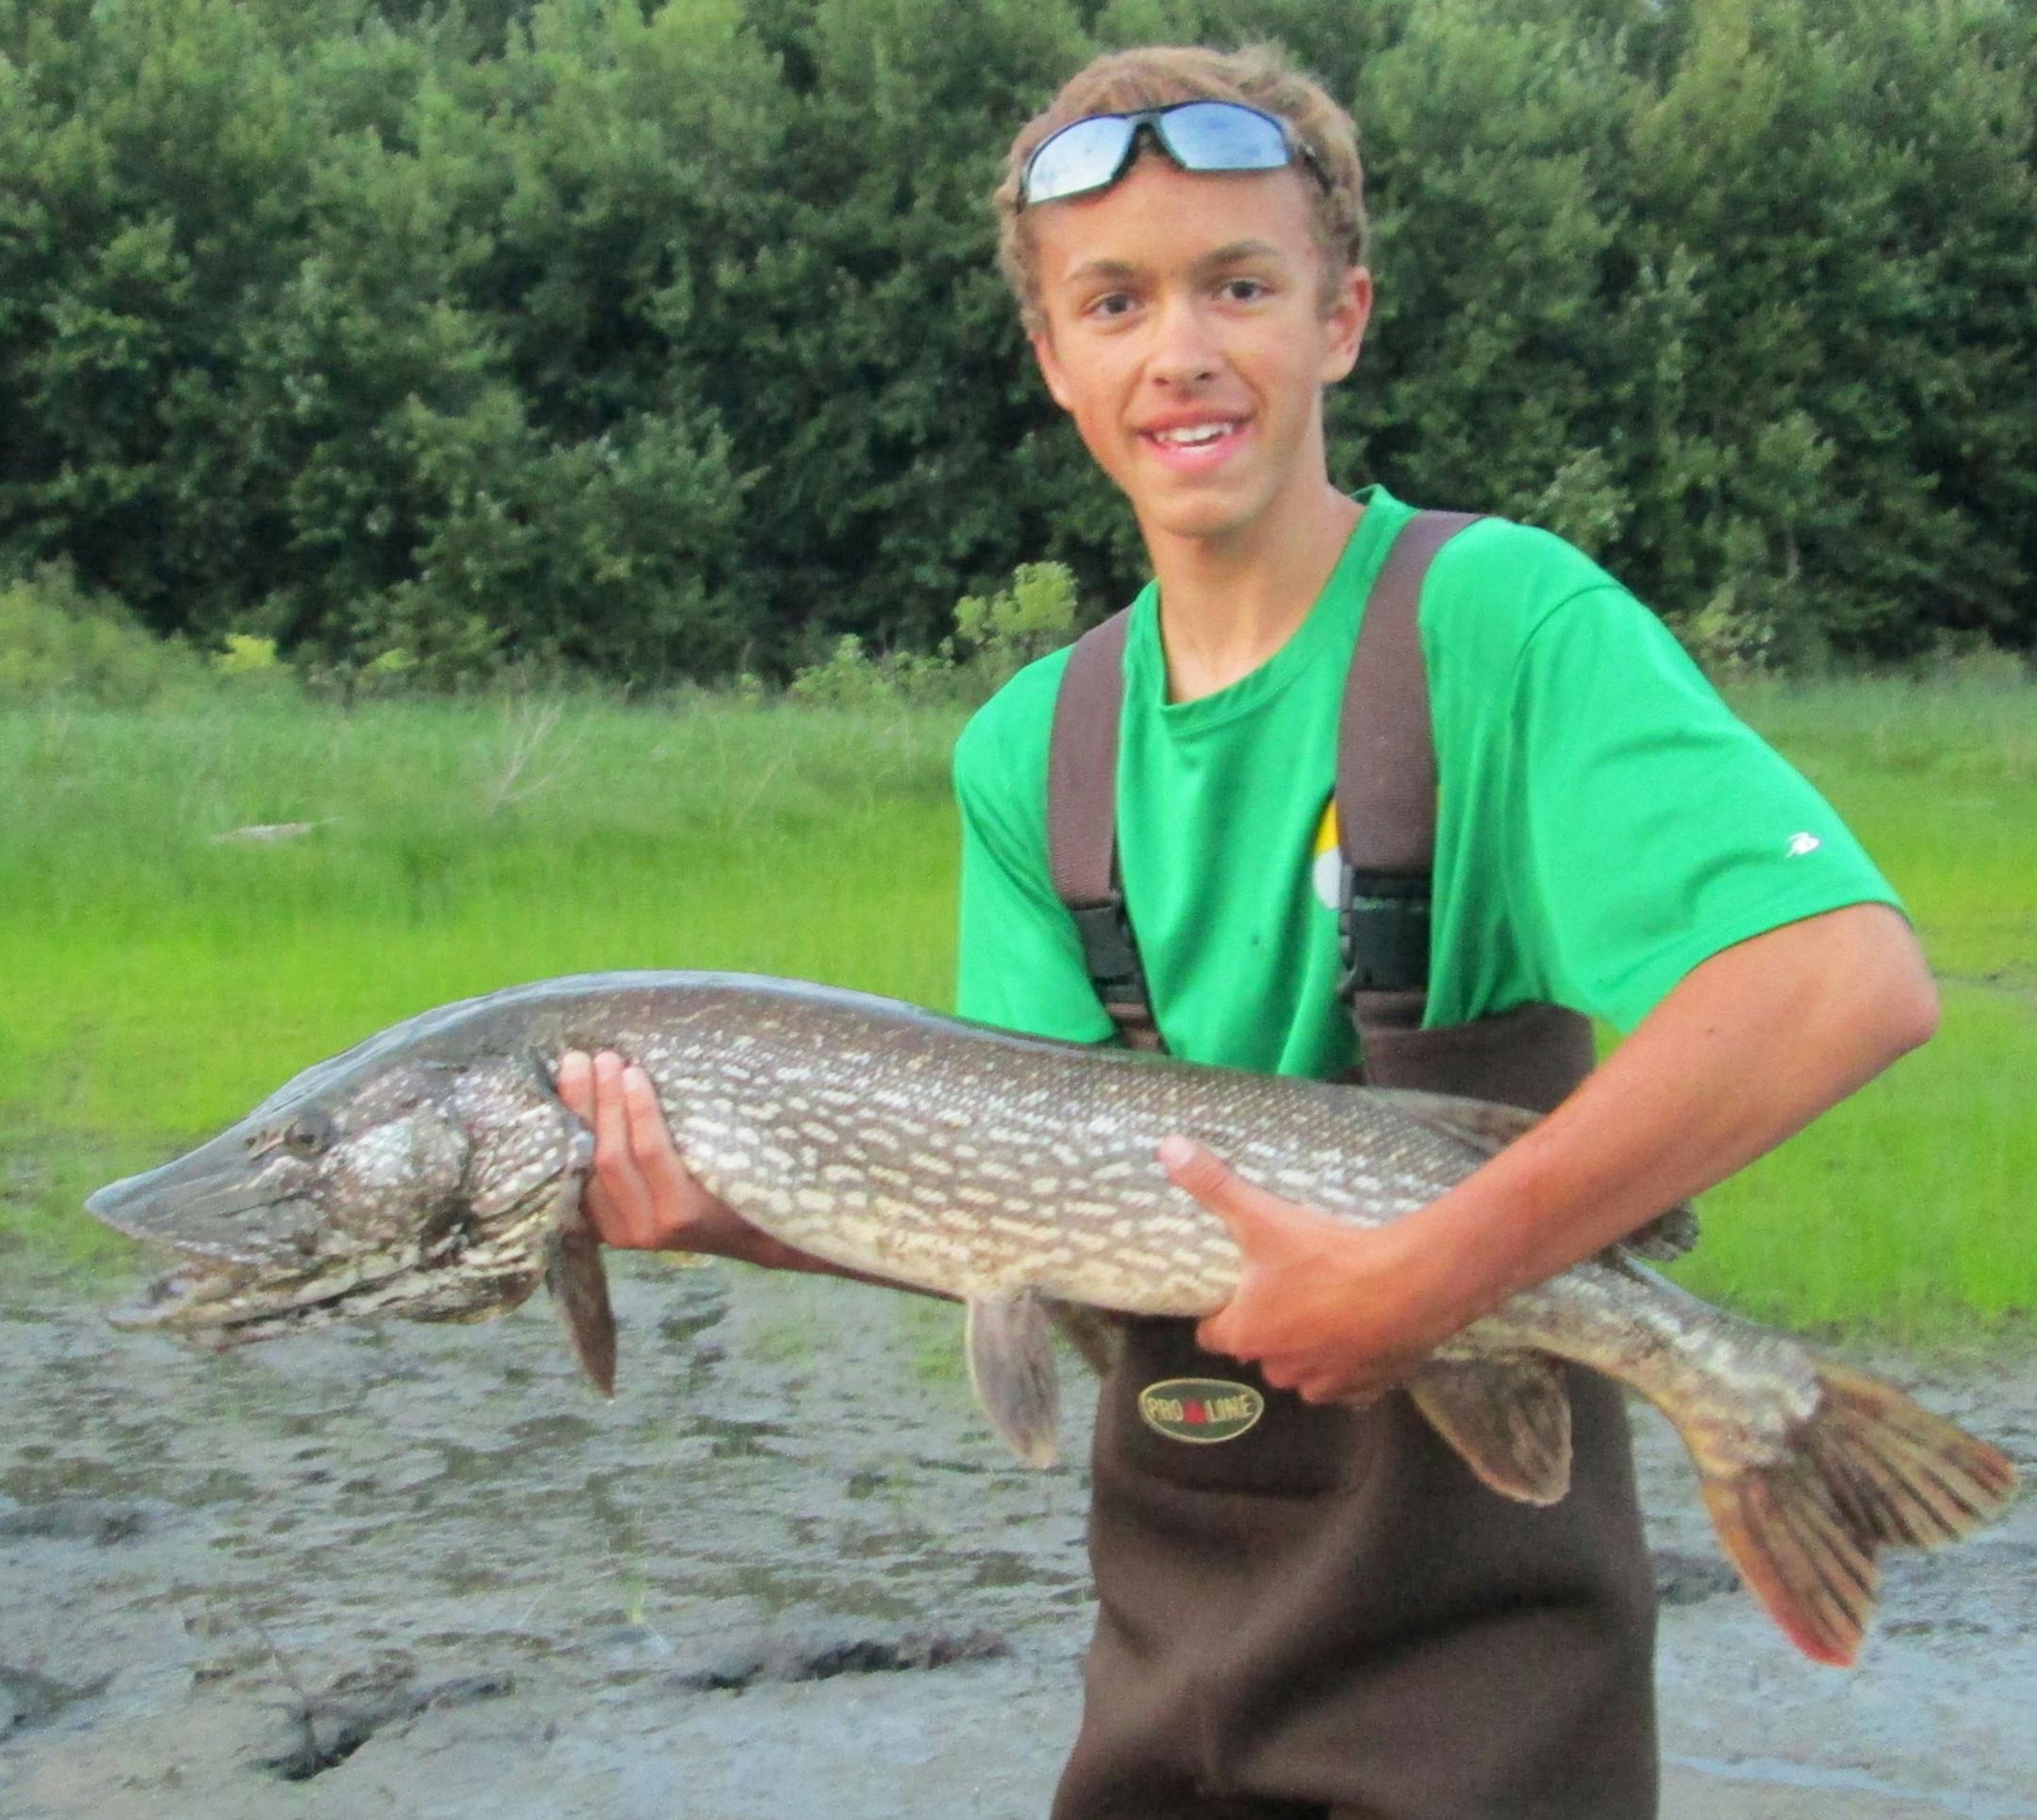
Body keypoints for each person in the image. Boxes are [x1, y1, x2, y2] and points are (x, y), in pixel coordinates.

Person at [558, 42, 1940, 1819]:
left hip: (1491, 1708)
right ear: (1054, 360)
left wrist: (1426, 1275)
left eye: (1241, 284)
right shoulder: (1030, 750)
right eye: (1114, 300)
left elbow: (1845, 981)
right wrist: (728, 1207)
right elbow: (1019, 1214)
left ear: (1341, 317)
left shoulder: (1496, 623)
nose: (1181, 351)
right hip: (1169, 1695)